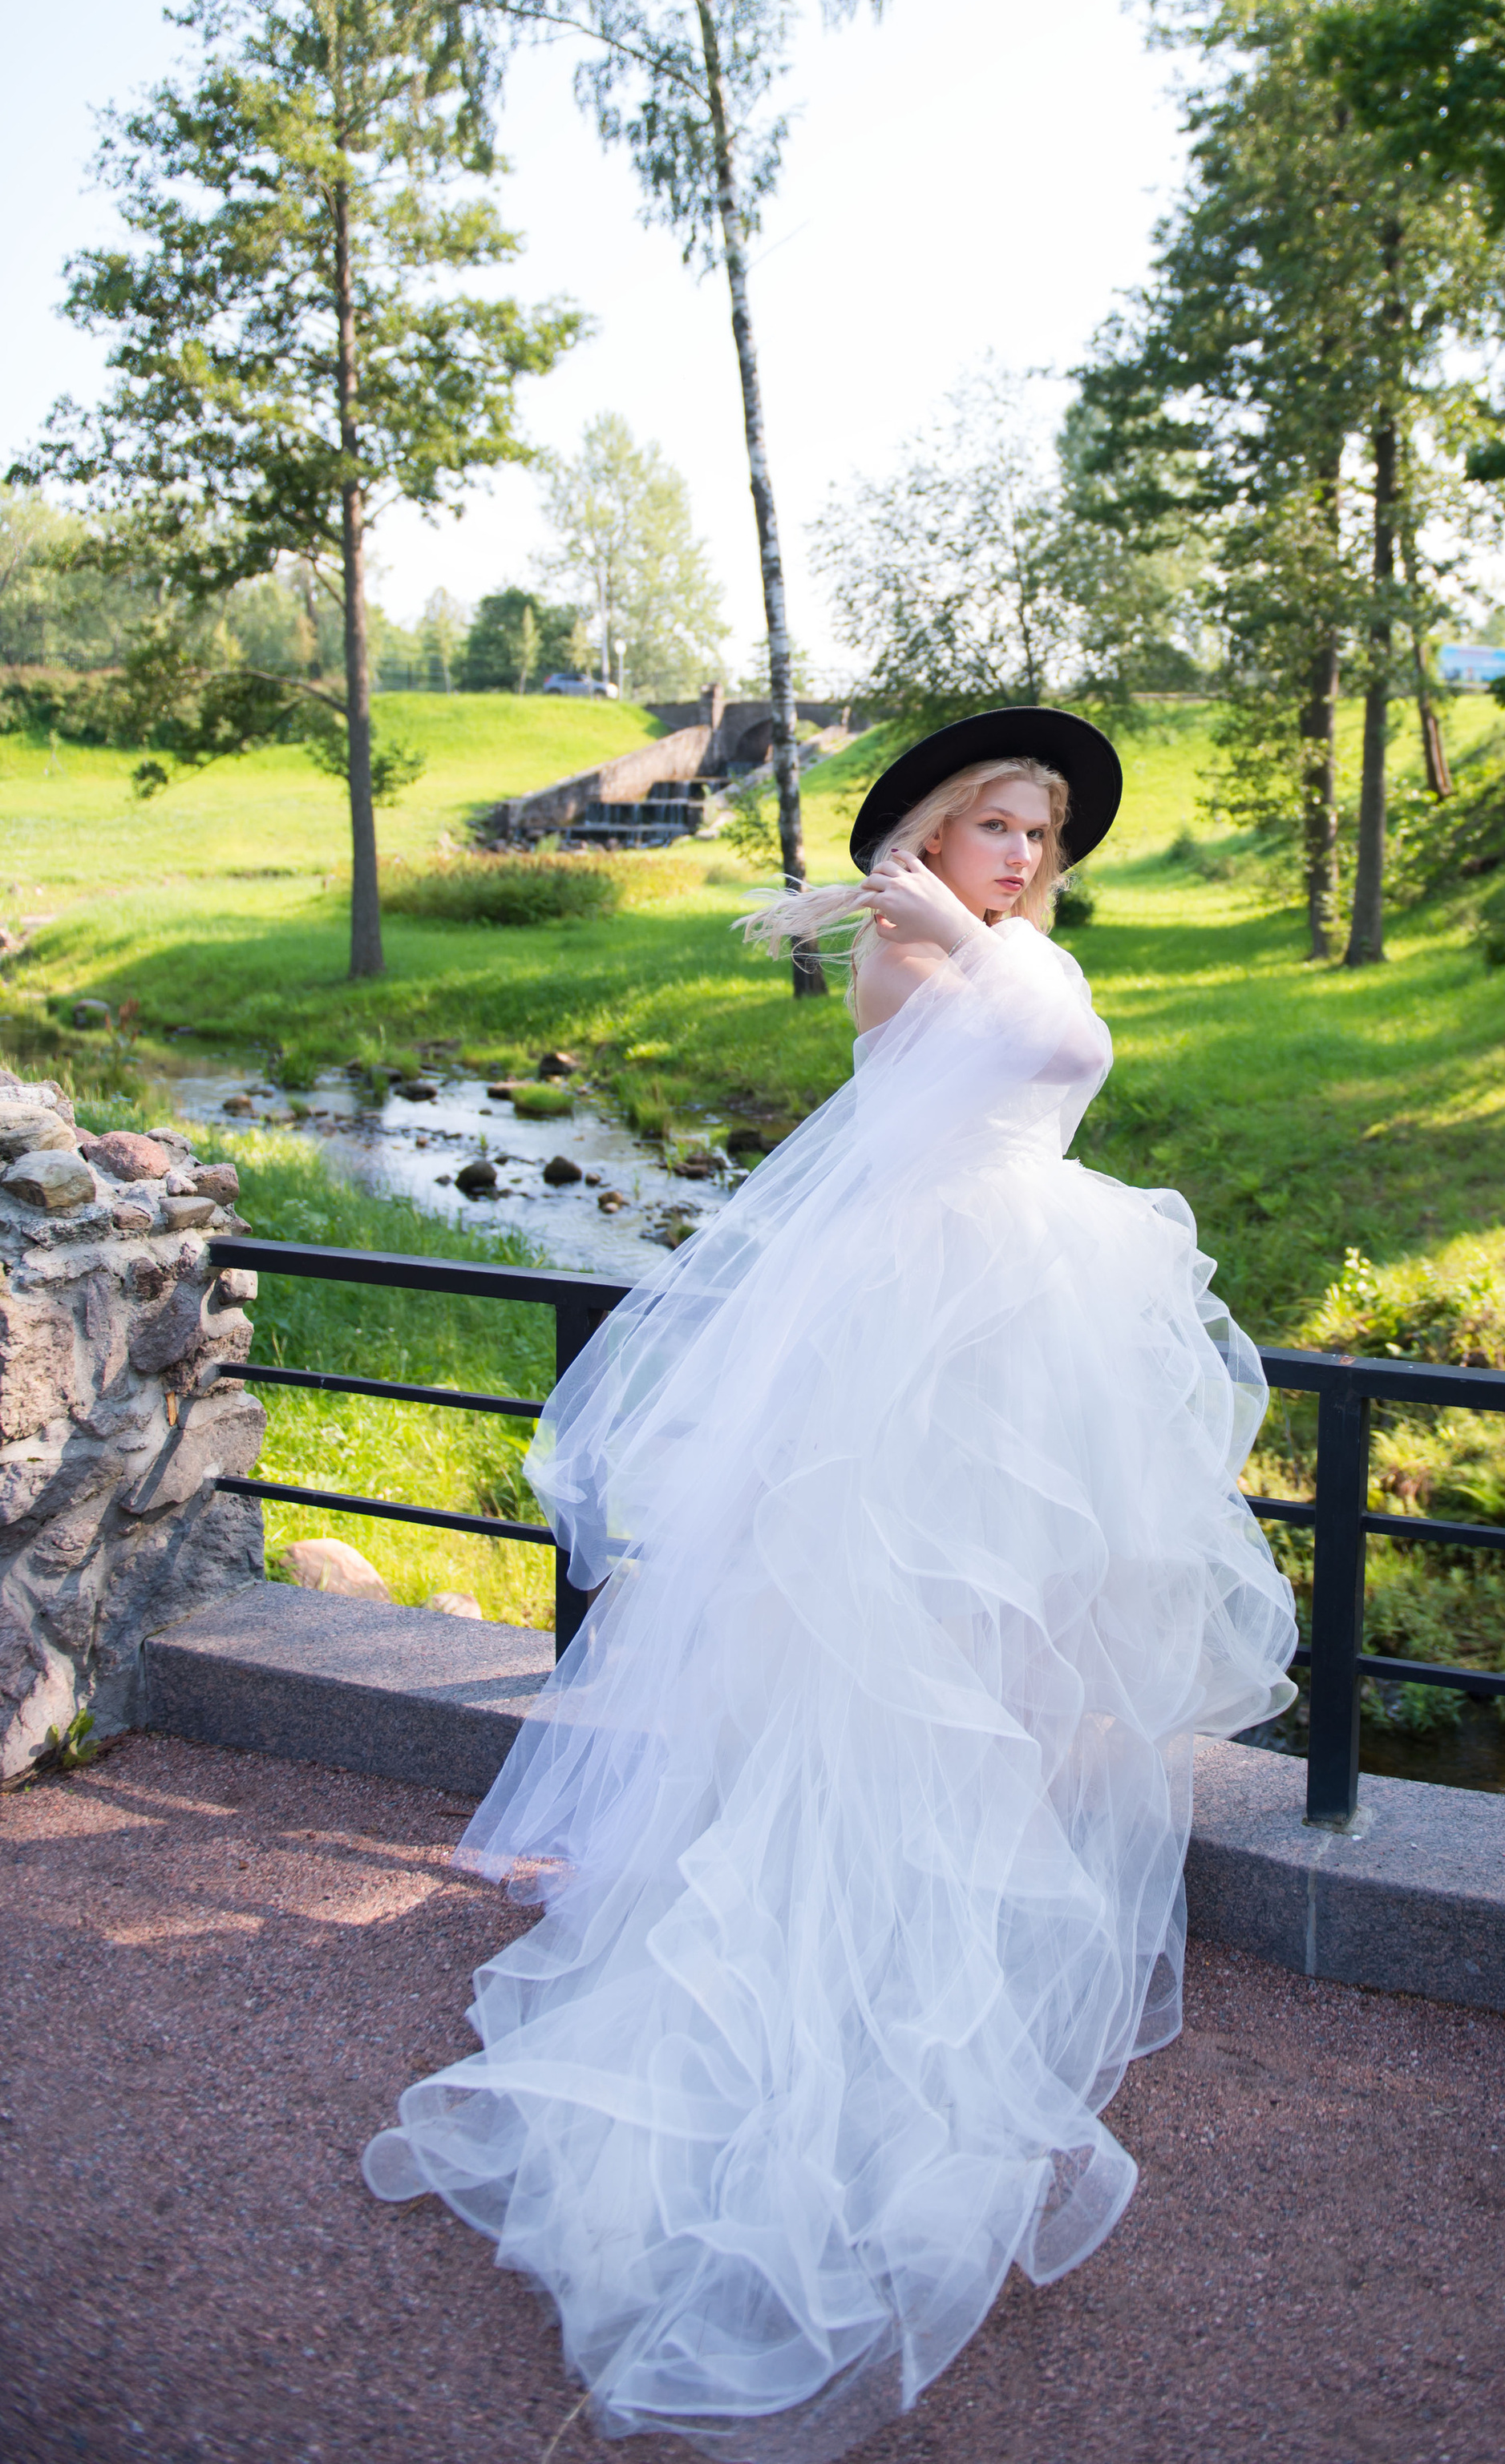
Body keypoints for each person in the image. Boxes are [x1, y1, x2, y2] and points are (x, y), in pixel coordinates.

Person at [363, 708, 1299, 2458]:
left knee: (1010, 1663)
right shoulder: (910, 958)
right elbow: (1051, 1037)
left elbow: (1054, 1036)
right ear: (931, 832)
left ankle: (949, 1941)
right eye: (997, 824)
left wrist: (966, 920)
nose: (1025, 854)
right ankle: (846, 1986)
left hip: (1031, 1331)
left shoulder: (987, 936)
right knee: (884, 1661)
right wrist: (927, 919)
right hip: (922, 1346)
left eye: (1040, 833)